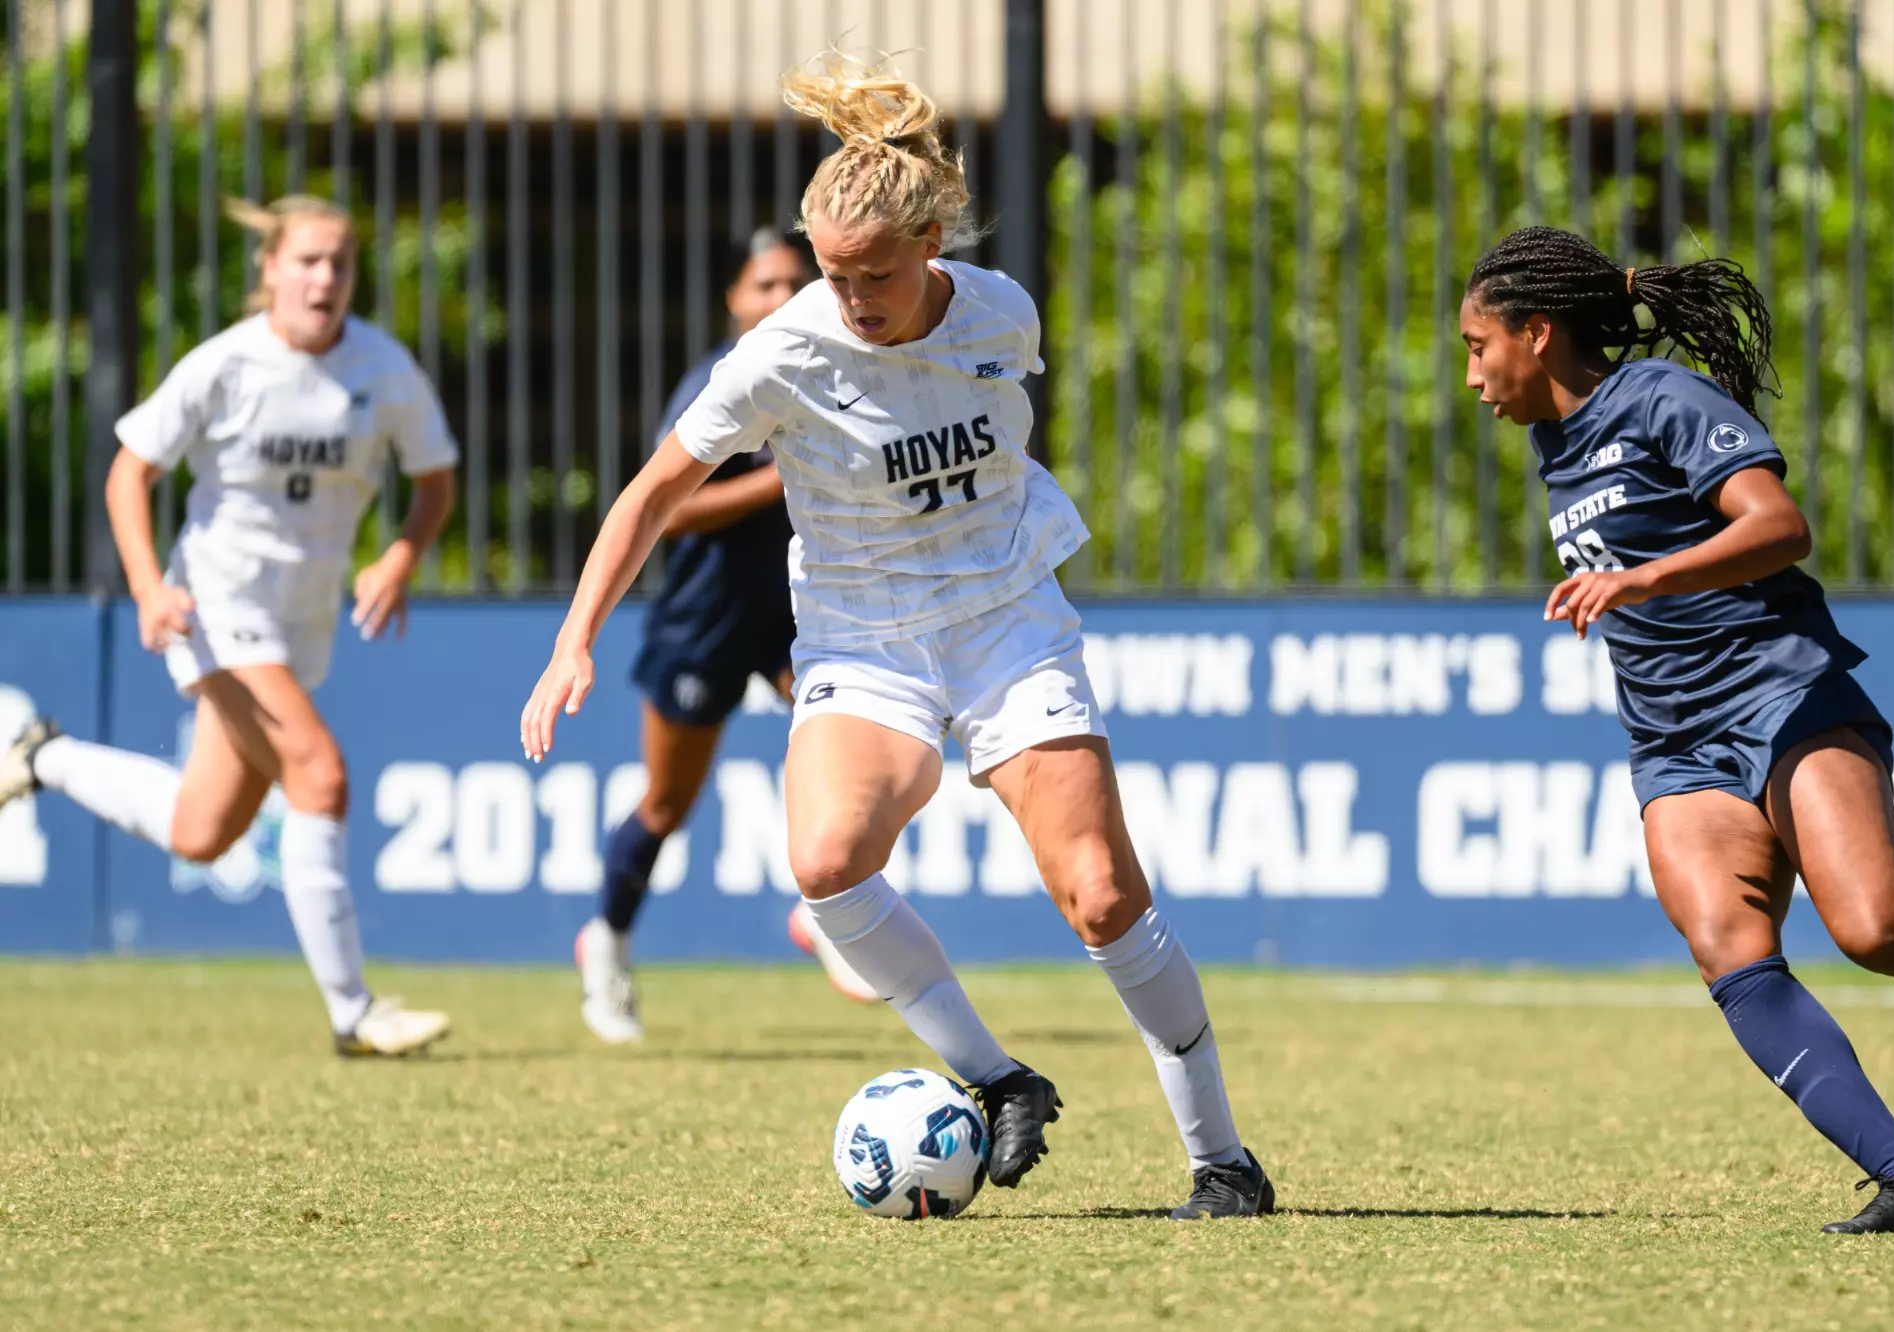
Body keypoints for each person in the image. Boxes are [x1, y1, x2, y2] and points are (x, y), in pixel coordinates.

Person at [522, 52, 1274, 1219]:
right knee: (825, 865)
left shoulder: (1000, 312)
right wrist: (574, 639)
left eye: (871, 272)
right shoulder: (782, 351)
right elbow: (651, 492)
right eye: (828, 274)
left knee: (1100, 895)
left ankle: (1221, 1161)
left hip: (1005, 627)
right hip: (862, 643)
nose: (849, 298)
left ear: (932, 245)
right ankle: (996, 1076)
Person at [1460, 224, 1894, 1234]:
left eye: (1475, 347)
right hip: (1672, 741)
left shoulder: (1659, 399)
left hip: (1779, 694)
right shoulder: (1551, 444)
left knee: (1878, 934)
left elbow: (1778, 526)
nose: (1471, 375)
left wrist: (1643, 576)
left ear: (1535, 333)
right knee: (1729, 951)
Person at [0, 196, 457, 1058]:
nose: (325, 278)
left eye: (340, 264)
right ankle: (354, 1012)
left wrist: (399, 557)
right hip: (215, 605)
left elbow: (435, 479)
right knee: (319, 776)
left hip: (300, 621)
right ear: (271, 271)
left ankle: (43, 757)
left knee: (201, 833)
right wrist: (145, 587)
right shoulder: (226, 364)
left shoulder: (383, 368)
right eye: (308, 261)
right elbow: (129, 473)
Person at [576, 225, 881, 1045]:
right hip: (705, 617)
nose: (781, 300)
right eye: (764, 287)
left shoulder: (833, 371)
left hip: (800, 614)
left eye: (794, 283)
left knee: (865, 758)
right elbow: (668, 509)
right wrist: (776, 479)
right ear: (733, 299)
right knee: (667, 804)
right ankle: (605, 942)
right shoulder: (720, 382)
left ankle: (826, 912)